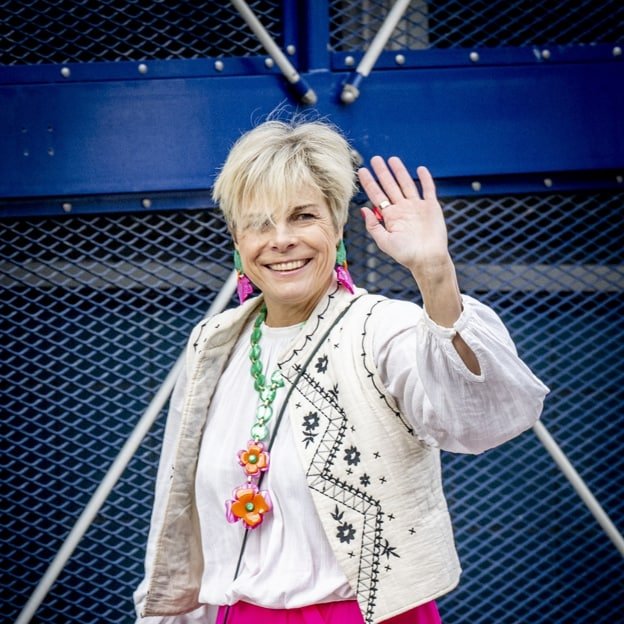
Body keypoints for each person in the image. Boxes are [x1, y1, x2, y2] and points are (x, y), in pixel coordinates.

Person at [134, 118, 548, 624]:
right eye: (259, 223)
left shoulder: (383, 329)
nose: (281, 239)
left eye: (302, 216)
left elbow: (483, 418)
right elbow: (182, 516)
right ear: (237, 241)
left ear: (336, 226)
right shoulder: (214, 342)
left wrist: (434, 273)